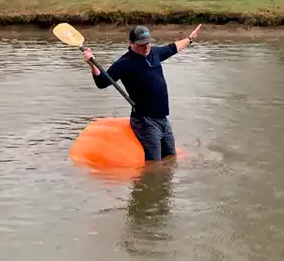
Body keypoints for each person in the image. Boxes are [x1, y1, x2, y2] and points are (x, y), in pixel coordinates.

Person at [82, 24, 202, 161]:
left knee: (171, 157)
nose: (146, 47)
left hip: (163, 119)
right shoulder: (124, 63)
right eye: (141, 45)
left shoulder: (154, 53)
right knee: (154, 163)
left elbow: (172, 48)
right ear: (131, 43)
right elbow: (102, 82)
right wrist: (92, 64)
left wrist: (190, 39)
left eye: (148, 43)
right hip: (145, 121)